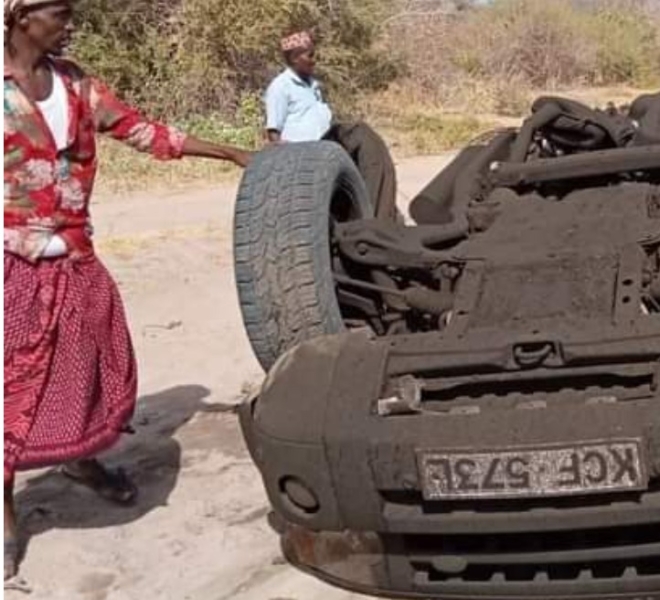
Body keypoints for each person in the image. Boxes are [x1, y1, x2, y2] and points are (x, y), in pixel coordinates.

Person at [3, 0, 253, 579]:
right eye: (59, 14)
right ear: (20, 18)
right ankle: (6, 519)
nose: (70, 25)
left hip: (76, 258)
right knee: (10, 389)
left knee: (86, 368)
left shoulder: (77, 86)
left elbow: (146, 132)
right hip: (13, 262)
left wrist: (231, 152)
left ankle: (81, 461)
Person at [264, 31, 399, 221]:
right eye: (310, 55)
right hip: (303, 155)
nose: (314, 60)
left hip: (326, 150)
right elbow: (273, 132)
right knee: (358, 132)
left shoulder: (314, 86)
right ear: (295, 58)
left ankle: (378, 216)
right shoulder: (280, 87)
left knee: (369, 154)